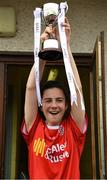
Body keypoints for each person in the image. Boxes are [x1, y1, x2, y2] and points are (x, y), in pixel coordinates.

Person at [21, 18, 88, 179]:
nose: (54, 105)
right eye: (48, 100)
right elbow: (31, 89)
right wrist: (43, 52)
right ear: (40, 104)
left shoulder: (73, 129)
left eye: (59, 100)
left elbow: (77, 90)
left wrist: (66, 46)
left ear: (66, 105)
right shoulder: (34, 128)